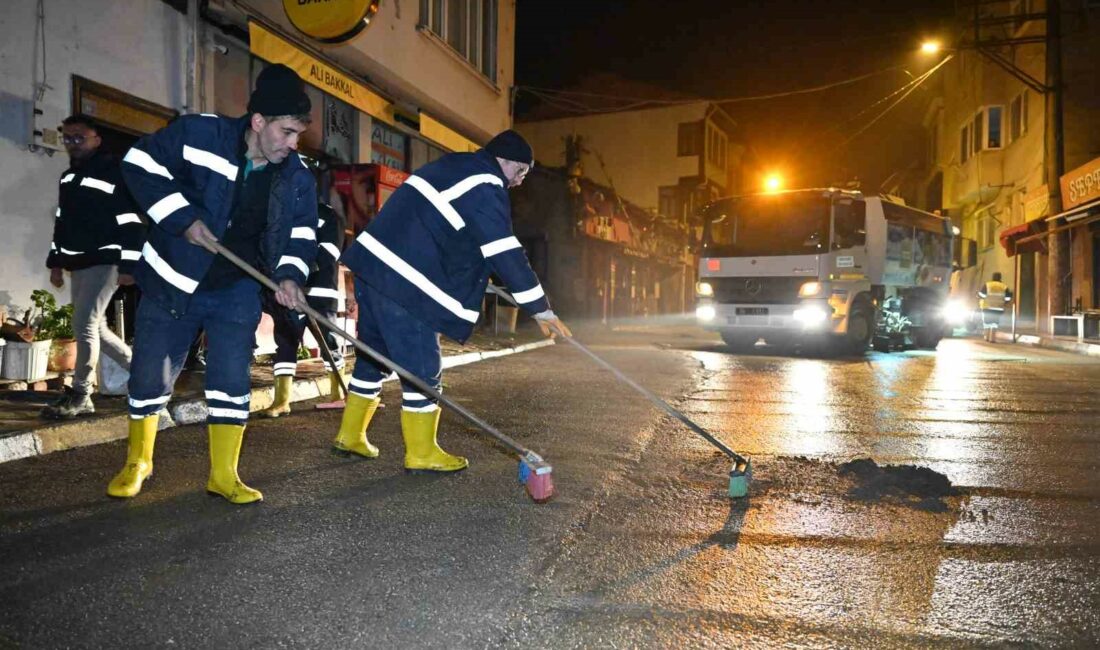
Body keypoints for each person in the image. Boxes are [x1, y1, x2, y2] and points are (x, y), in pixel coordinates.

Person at [108, 64, 318, 504]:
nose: (293, 144)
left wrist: (290, 276)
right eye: (286, 132)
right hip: (172, 279)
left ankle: (224, 474)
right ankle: (138, 461)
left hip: (237, 287)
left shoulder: (296, 175)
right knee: (150, 375)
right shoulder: (200, 134)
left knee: (230, 379)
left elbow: (301, 232)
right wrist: (182, 220)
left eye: (298, 134)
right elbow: (139, 162)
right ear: (258, 122)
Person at [334, 129, 571, 471]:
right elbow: (502, 249)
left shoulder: (453, 166)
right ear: (503, 161)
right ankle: (421, 452)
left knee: (375, 355)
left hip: (373, 271)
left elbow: (452, 234)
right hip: (406, 283)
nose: (519, 182)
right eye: (520, 172)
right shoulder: (486, 183)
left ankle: (350, 435)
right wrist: (540, 307)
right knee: (423, 368)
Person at [41, 114, 144, 419]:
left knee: (84, 323)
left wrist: (129, 264)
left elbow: (131, 221)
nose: (72, 144)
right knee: (94, 326)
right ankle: (144, 374)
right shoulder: (68, 178)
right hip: (78, 262)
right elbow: (62, 223)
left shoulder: (115, 172)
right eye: (68, 138)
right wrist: (55, 263)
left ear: (96, 140)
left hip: (106, 260)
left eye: (79, 137)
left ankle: (81, 393)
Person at [259, 200, 347, 417]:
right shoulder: (287, 210)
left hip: (320, 292)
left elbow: (329, 251)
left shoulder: (328, 214)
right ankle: (281, 402)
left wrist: (298, 271)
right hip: (289, 293)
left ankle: (338, 396)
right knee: (286, 342)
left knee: (330, 344)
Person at [978, 271, 1013, 343]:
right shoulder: (1004, 286)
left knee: (987, 322)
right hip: (998, 307)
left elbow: (982, 295)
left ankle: (986, 336)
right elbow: (1008, 298)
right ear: (1000, 278)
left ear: (992, 277)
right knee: (995, 322)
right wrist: (1004, 302)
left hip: (987, 306)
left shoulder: (987, 285)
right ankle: (992, 338)